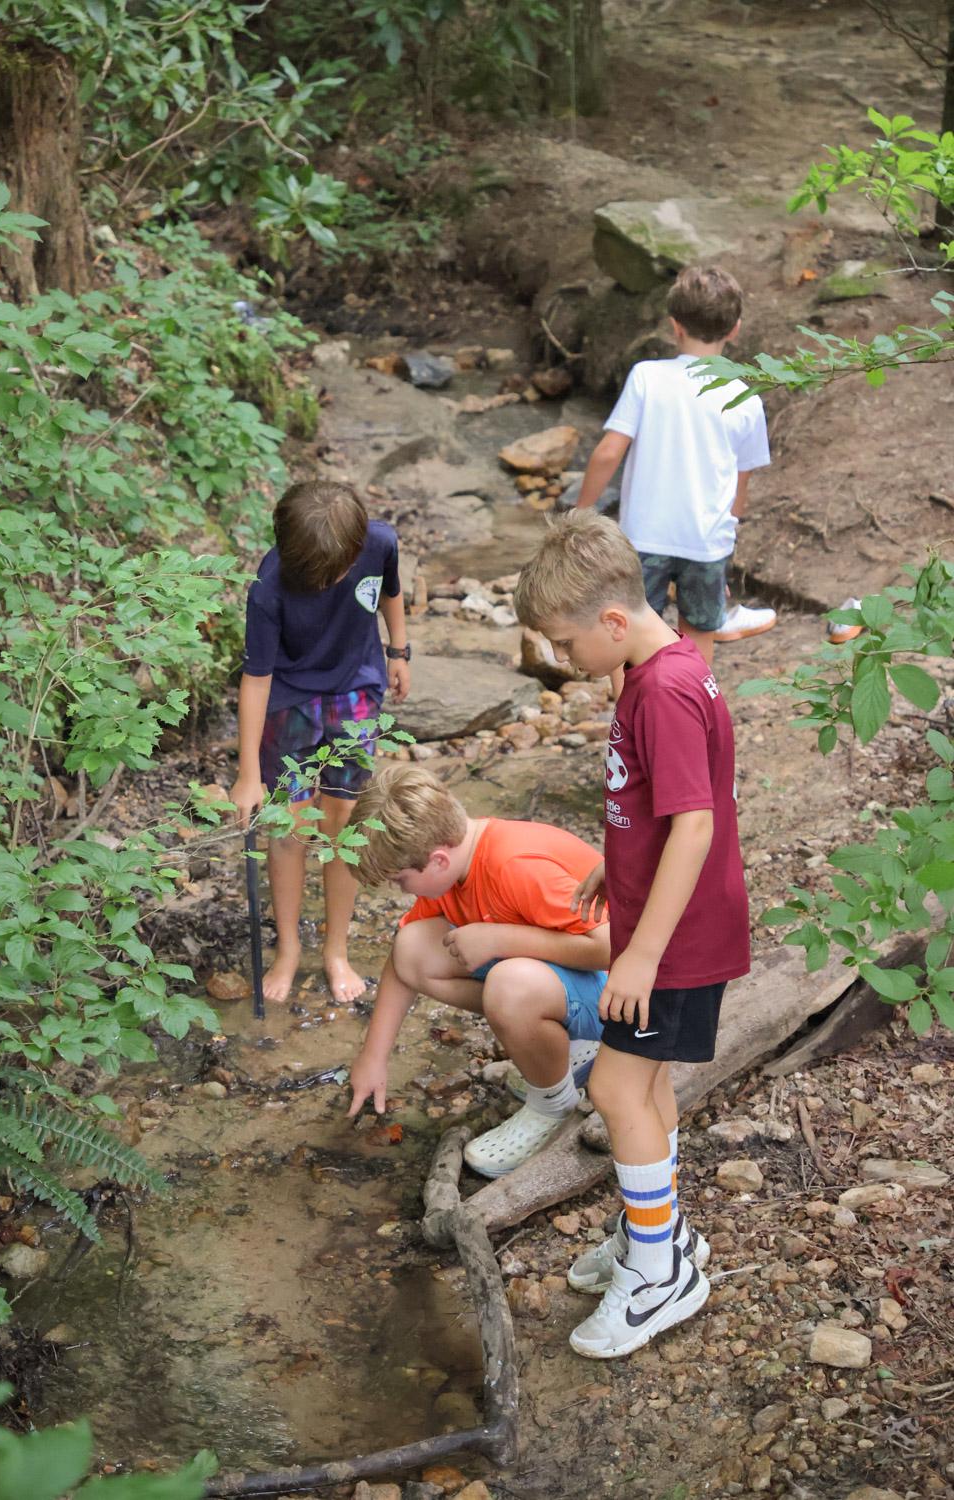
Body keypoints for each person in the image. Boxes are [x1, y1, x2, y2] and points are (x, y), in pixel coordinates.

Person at [513, 510, 750, 1359]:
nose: (564, 659)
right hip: (666, 922)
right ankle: (660, 1235)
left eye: (567, 643)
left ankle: (659, 1277)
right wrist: (617, 868)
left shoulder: (664, 693)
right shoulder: (657, 670)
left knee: (615, 1090)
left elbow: (695, 825)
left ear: (614, 621)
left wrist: (641, 954)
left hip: (674, 941)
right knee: (643, 1089)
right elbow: (657, 807)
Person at [345, 764, 608, 1177]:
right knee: (412, 947)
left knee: (509, 987)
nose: (401, 890)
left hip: (635, 996)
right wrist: (373, 1057)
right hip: (572, 978)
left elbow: (613, 947)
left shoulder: (514, 865)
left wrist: (499, 939)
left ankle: (552, 1105)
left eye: (401, 881)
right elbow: (403, 965)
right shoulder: (455, 866)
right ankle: (561, 1047)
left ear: (437, 860)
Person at [230, 480, 411, 1005]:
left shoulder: (379, 542)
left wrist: (399, 651)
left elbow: (391, 592)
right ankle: (288, 947)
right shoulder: (269, 587)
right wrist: (248, 775)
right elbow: (256, 680)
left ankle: (336, 949)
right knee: (290, 823)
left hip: (356, 689)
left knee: (344, 819)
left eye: (338, 572)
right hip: (289, 699)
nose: (330, 582)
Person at [574, 264, 772, 665]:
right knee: (698, 634)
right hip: (706, 541)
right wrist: (725, 549)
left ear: (674, 326)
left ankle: (631, 706)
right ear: (735, 330)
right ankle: (692, 703)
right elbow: (740, 486)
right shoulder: (744, 397)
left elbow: (609, 452)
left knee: (630, 636)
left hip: (644, 538)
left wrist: (581, 512)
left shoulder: (647, 377)